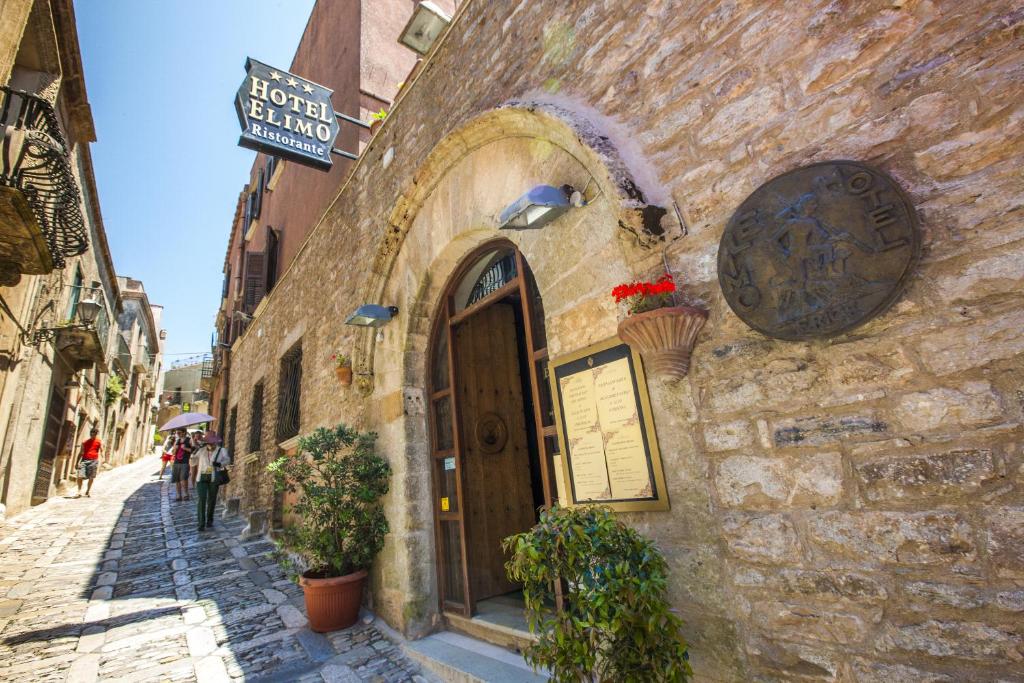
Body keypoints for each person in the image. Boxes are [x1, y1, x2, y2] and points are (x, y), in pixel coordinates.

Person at [194, 431, 229, 531]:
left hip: (214, 478)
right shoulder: (201, 450)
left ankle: (209, 520)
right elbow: (193, 462)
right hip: (201, 477)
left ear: (216, 442)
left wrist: (219, 464)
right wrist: (194, 452)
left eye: (212, 442)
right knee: (202, 499)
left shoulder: (221, 450)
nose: (211, 444)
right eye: (209, 442)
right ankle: (201, 523)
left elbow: (227, 460)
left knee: (212, 500)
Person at [74, 427, 103, 498]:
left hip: (93, 461)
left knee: (91, 477)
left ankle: (88, 491)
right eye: (91, 434)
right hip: (84, 460)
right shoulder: (85, 442)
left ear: (96, 434)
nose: (92, 436)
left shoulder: (99, 442)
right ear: (90, 434)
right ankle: (79, 491)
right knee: (80, 476)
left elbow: (102, 450)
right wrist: (77, 462)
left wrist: (103, 458)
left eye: (94, 434)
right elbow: (81, 452)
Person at [171, 429, 193, 501]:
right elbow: (173, 453)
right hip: (176, 462)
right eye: (177, 433)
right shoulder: (177, 441)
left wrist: (185, 448)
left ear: (184, 433)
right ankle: (178, 494)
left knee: (183, 478)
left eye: (179, 432)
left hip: (185, 462)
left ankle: (186, 494)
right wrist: (175, 449)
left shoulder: (189, 440)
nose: (178, 434)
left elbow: (193, 451)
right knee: (177, 479)